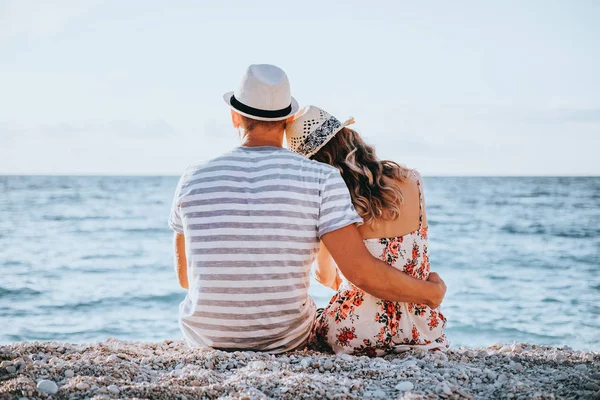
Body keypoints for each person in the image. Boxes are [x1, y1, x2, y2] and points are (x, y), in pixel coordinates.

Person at [168, 64, 447, 353]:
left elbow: (186, 278)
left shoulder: (192, 177)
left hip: (205, 337)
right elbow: (359, 271)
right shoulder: (322, 178)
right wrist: (430, 293)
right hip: (284, 339)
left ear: (234, 117)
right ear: (288, 119)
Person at [286, 106, 449, 355]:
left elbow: (327, 276)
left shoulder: (330, 197)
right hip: (422, 327)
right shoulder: (413, 180)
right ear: (349, 136)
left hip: (358, 331)